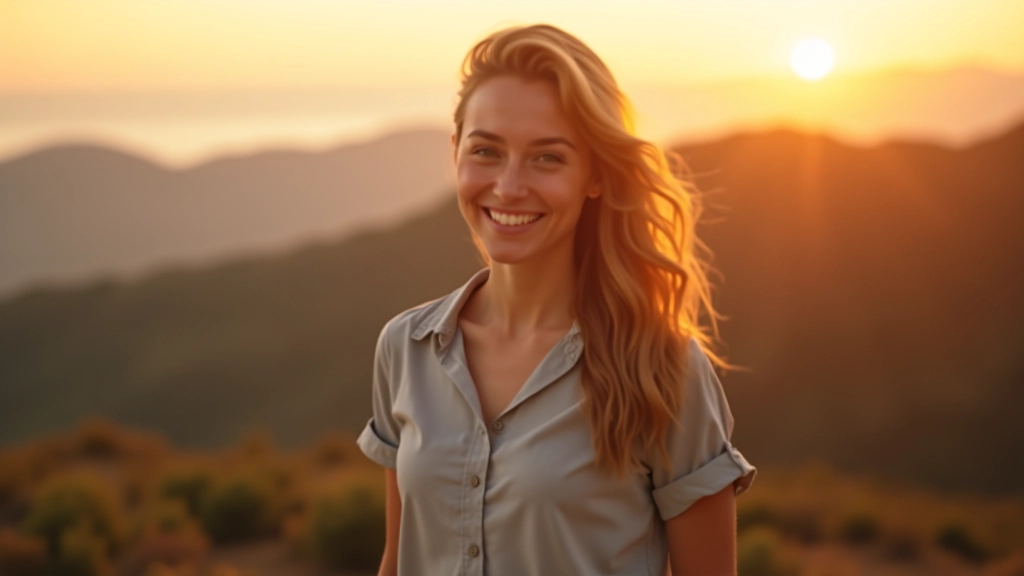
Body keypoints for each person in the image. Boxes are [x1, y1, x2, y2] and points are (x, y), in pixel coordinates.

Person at [357, 23, 757, 576]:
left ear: (594, 175)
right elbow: (398, 560)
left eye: (547, 158)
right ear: (455, 154)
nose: (510, 187)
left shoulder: (663, 369)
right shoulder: (406, 348)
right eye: (486, 151)